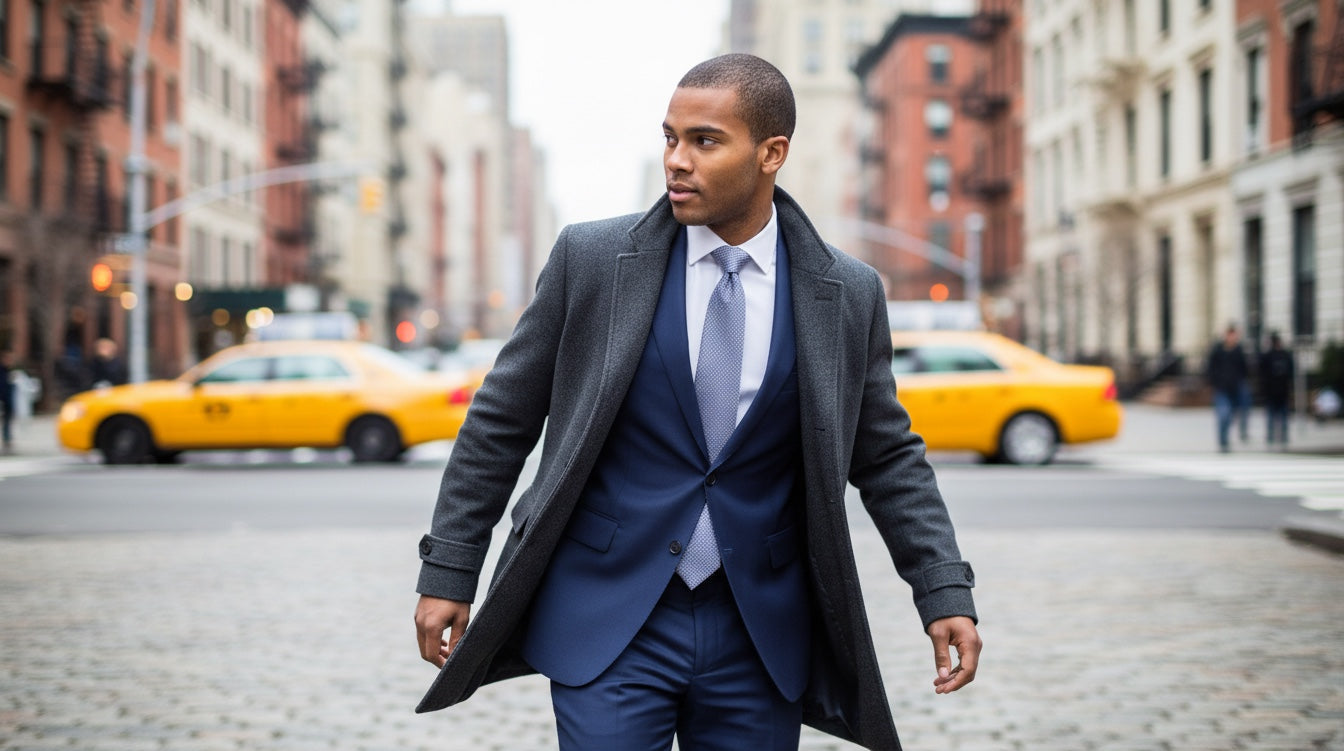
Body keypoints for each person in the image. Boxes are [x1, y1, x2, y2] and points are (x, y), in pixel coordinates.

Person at [413, 54, 980, 751]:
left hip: (761, 626)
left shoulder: (847, 293)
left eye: (704, 141)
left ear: (772, 153)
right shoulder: (591, 260)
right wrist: (449, 568)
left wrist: (941, 587)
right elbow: (500, 421)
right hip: (610, 616)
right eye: (670, 137)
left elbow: (888, 456)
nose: (676, 161)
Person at [1206, 325, 1251, 452]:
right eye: (1231, 335)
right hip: (1221, 389)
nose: (1233, 338)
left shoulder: (1239, 351)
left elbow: (1244, 369)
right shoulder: (1217, 350)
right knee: (1223, 414)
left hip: (1235, 389)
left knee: (1232, 416)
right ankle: (1223, 441)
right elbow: (1210, 368)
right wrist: (1214, 382)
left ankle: (1229, 437)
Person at [1259, 332, 1294, 447]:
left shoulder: (1268, 356)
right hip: (1279, 391)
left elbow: (1261, 373)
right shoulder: (1285, 355)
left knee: (1274, 415)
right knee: (1281, 415)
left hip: (1274, 391)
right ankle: (1282, 437)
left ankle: (1272, 437)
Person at [0, 350, 14, 453]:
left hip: (8, 402)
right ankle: (6, 440)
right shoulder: (2, 371)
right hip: (3, 401)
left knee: (7, 422)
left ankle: (7, 440)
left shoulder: (8, 371)